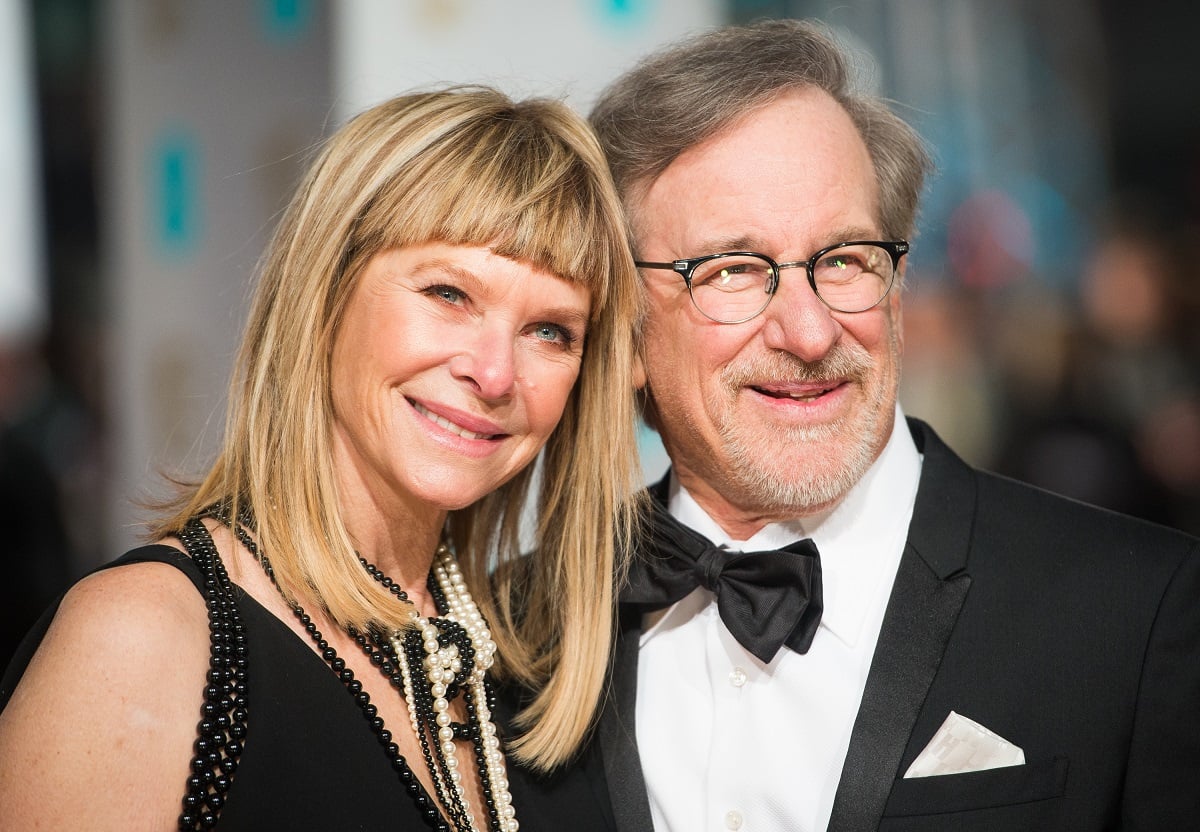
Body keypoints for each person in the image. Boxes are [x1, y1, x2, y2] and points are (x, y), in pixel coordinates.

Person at [579, 18, 1200, 831]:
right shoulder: (521, 627)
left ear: (897, 287)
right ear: (624, 324)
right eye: (732, 270)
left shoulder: (1137, 610)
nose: (808, 332)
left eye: (843, 259)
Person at [0, 86, 644, 831]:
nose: (495, 373)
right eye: (448, 293)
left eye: (551, 332)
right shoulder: (147, 639)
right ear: (325, 293)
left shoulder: (519, 672)